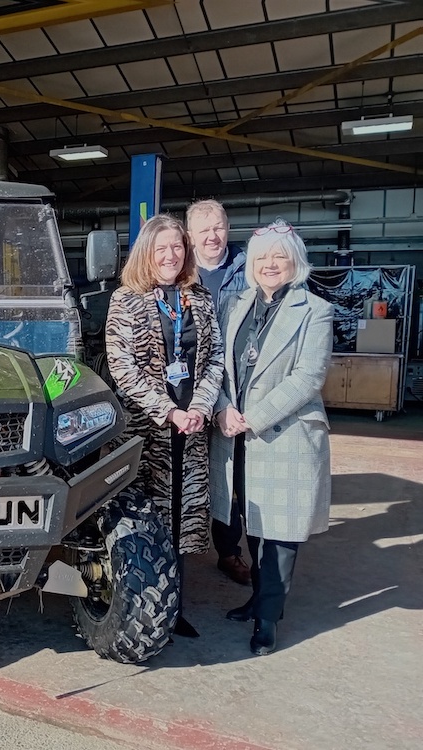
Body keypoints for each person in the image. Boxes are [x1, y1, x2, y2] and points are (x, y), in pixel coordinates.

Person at [210, 219, 333, 656]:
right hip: (238, 435)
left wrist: (253, 417)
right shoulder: (237, 304)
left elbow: (308, 377)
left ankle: (268, 621)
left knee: (280, 537)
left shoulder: (314, 309)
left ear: (294, 261)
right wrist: (223, 406)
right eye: (262, 258)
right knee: (254, 526)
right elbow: (217, 365)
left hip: (283, 437)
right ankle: (258, 600)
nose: (269, 265)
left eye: (279, 256)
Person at [105, 214, 225, 638]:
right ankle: (143, 609)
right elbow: (122, 368)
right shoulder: (126, 300)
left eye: (177, 247)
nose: (171, 255)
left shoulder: (200, 298)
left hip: (191, 427)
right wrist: (167, 410)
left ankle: (176, 607)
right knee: (148, 519)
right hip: (146, 428)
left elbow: (215, 359)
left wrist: (201, 406)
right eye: (162, 248)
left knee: (182, 517)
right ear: (146, 253)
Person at [185, 199, 251, 586]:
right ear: (190, 236)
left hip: (236, 393)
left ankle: (229, 551)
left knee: (233, 477)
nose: (213, 236)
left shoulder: (249, 270)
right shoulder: (180, 273)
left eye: (219, 227)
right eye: (203, 230)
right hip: (188, 396)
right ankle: (179, 552)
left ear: (228, 228)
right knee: (189, 475)